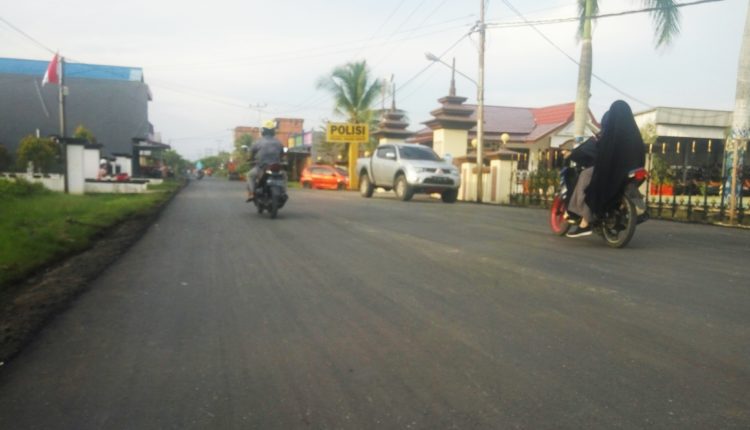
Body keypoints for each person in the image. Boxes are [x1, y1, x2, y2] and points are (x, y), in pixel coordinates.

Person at [566, 100, 646, 237]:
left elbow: (603, 154)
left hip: (615, 173)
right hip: (633, 171)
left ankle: (585, 221)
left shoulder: (612, 134)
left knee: (587, 178)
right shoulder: (635, 134)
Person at [246, 119, 284, 202]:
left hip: (262, 167)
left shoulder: (258, 142)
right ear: (273, 131)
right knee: (284, 176)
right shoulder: (279, 142)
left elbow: (251, 153)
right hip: (276, 167)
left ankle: (251, 193)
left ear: (263, 131)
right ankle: (283, 192)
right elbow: (282, 154)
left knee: (250, 175)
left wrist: (249, 159)